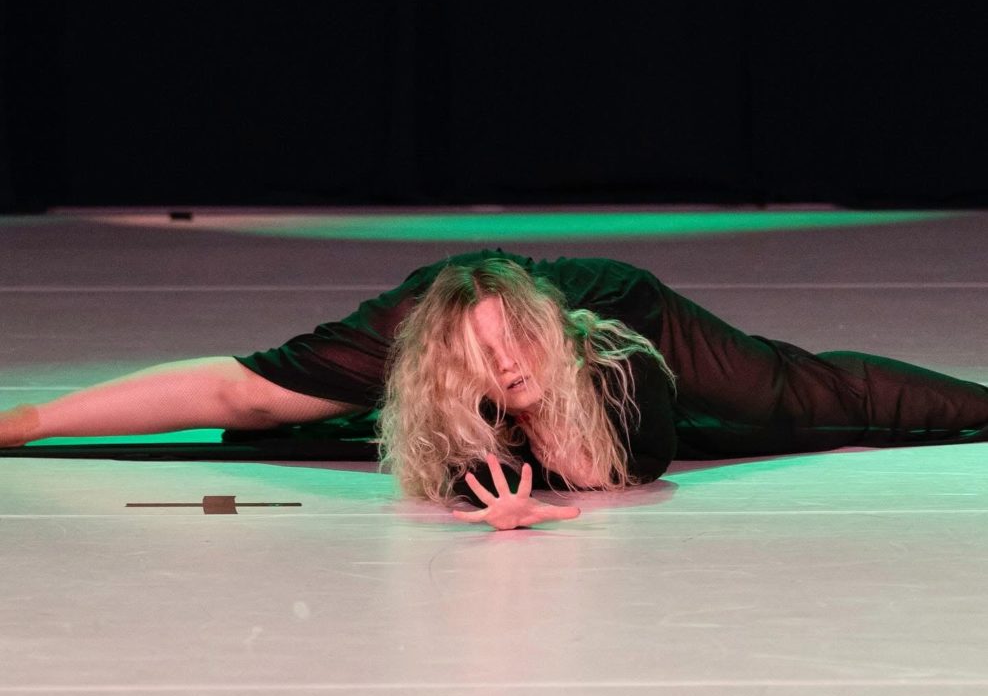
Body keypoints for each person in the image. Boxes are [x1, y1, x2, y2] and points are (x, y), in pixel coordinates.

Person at [2, 249, 986, 530]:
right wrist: (26, 421)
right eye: (484, 352)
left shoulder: (617, 354)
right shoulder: (400, 343)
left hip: (617, 320)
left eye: (518, 344)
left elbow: (617, 467)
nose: (509, 361)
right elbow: (235, 393)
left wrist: (541, 461)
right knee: (283, 419)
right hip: (448, 348)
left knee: (784, 403)